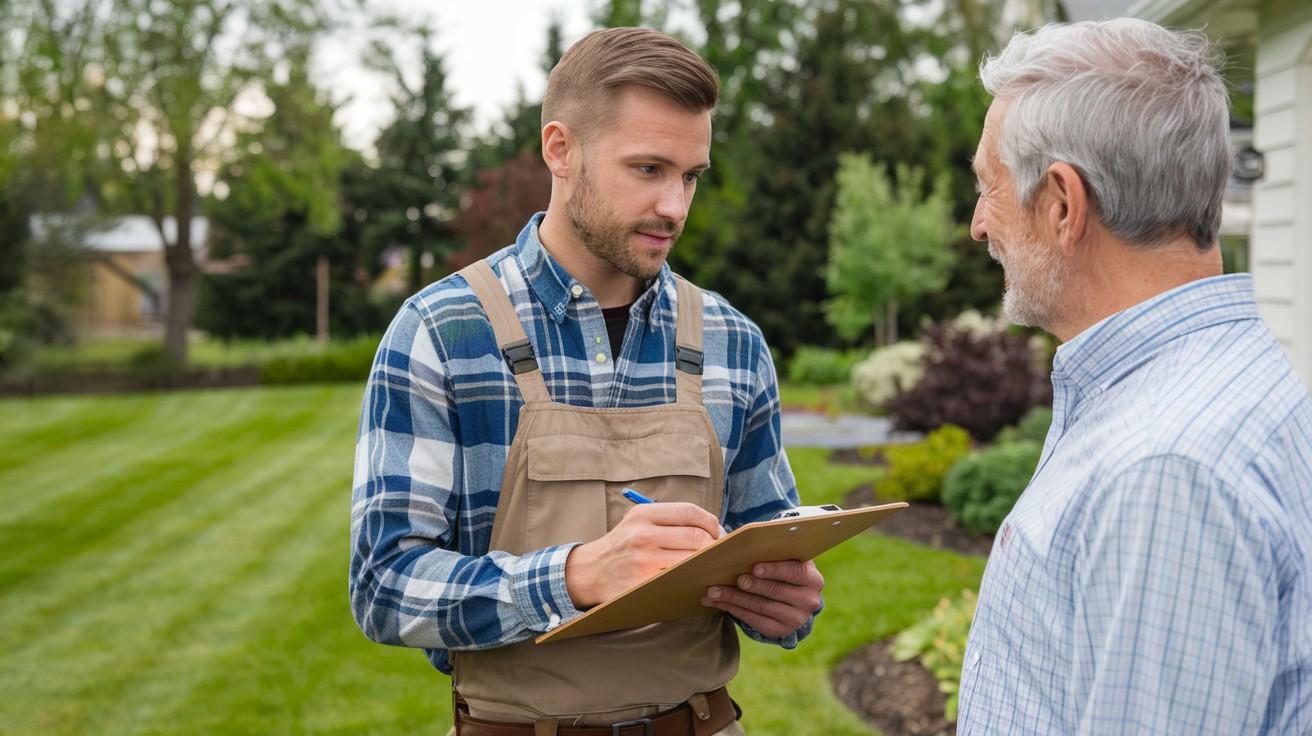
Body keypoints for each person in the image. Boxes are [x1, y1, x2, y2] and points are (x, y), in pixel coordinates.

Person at [349, 27, 824, 736]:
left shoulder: (733, 342)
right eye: (648, 169)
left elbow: (768, 538)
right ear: (560, 150)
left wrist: (784, 600)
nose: (675, 206)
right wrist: (576, 576)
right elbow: (383, 586)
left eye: (691, 176)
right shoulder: (442, 334)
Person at [958, 18, 1312, 734]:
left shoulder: (1163, 468)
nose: (977, 225)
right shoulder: (1243, 377)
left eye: (988, 188)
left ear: (1062, 205)